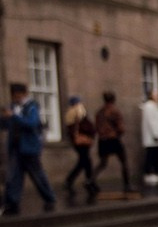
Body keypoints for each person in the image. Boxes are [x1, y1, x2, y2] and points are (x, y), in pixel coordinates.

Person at [1, 82, 57, 215]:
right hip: (15, 147)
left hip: (30, 148)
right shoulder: (12, 107)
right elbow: (6, 125)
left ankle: (50, 198)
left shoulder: (32, 106)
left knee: (37, 175)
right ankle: (12, 203)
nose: (15, 98)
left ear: (24, 94)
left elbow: (32, 123)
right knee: (14, 176)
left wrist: (14, 116)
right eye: (13, 96)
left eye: (17, 95)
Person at [92, 91, 131, 192]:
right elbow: (120, 126)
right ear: (113, 99)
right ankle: (127, 185)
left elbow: (96, 126)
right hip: (113, 138)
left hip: (102, 140)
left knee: (102, 163)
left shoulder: (99, 112)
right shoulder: (114, 111)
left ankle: (90, 180)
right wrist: (119, 133)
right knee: (123, 161)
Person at [63, 96, 99, 201]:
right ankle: (86, 181)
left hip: (78, 142)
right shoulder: (78, 112)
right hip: (82, 141)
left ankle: (86, 181)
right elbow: (87, 126)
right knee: (85, 161)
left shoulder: (69, 114)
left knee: (84, 161)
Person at [140, 90, 158, 185]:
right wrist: (156, 134)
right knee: (151, 155)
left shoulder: (154, 106)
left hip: (156, 137)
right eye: (156, 95)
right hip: (153, 137)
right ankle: (149, 173)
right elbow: (151, 122)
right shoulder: (149, 106)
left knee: (156, 155)